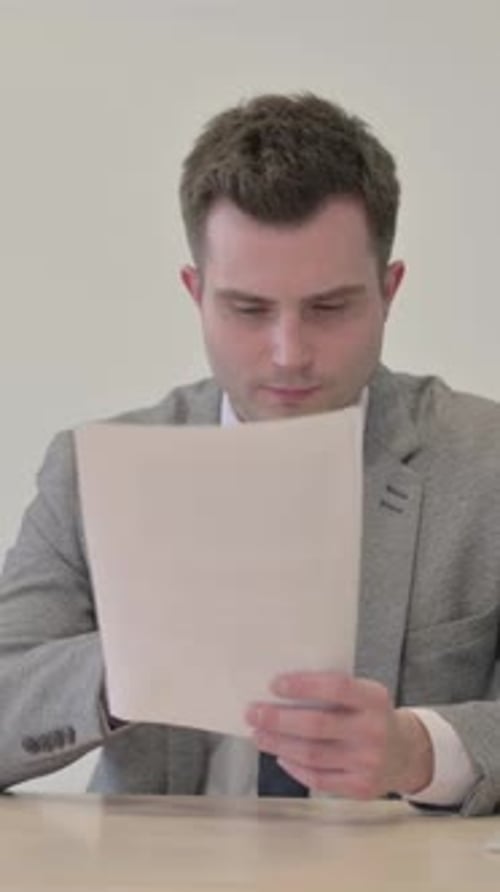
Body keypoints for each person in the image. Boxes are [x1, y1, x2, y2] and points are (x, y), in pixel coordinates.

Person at [1, 93, 499, 816]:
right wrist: (128, 668)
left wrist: (422, 750)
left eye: (329, 308)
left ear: (389, 292)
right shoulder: (92, 471)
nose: (289, 353)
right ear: (195, 293)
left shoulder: (485, 464)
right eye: (248, 309)